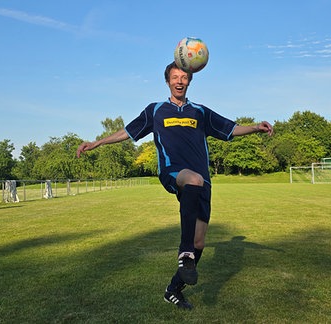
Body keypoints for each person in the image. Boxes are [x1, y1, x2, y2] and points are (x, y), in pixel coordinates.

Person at [76, 62, 273, 310]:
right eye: (174, 77)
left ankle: (173, 290)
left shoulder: (200, 112)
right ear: (167, 81)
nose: (179, 81)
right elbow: (128, 132)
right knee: (191, 185)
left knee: (199, 242)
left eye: (184, 77)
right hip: (173, 171)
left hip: (202, 180)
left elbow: (230, 129)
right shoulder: (155, 110)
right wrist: (98, 143)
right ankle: (184, 251)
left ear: (190, 81)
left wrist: (255, 127)